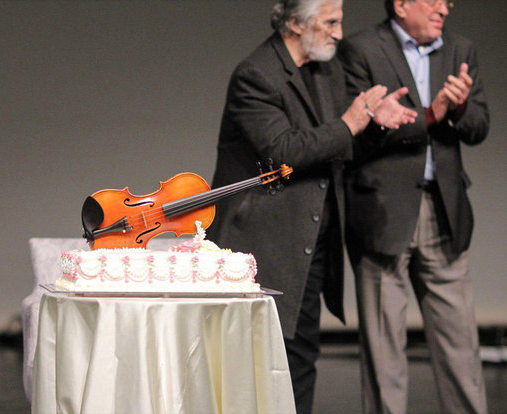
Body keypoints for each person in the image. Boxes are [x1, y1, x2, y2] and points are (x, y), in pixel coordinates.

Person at [208, 1, 416, 412]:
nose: (340, 33)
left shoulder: (325, 69)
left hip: (310, 241)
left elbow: (341, 144)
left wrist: (374, 124)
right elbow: (282, 152)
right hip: (263, 245)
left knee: (301, 358)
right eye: (331, 23)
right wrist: (351, 123)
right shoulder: (256, 75)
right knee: (256, 366)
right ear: (295, 23)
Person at [337, 1, 490, 413]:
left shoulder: (460, 49)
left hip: (443, 210)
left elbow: (479, 125)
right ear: (402, 4)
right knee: (385, 353)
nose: (445, 7)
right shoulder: (362, 50)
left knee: (461, 349)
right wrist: (431, 114)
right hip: (383, 213)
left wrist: (456, 110)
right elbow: (353, 135)